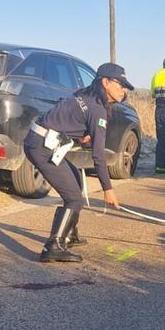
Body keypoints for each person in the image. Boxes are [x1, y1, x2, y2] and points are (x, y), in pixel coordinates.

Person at [23, 62, 133, 263]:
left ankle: (69, 235)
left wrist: (78, 136)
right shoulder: (98, 110)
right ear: (106, 82)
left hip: (40, 140)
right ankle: (53, 246)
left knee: (76, 180)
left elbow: (63, 119)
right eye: (120, 84)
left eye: (125, 86)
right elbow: (98, 155)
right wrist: (108, 189)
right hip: (41, 146)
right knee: (74, 198)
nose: (124, 90)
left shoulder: (85, 95)